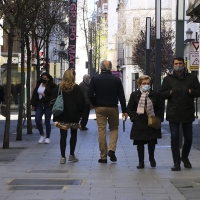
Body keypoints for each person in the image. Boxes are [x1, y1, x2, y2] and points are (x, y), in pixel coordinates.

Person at [159, 57, 200, 171]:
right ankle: (176, 162)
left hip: (187, 111)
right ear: (173, 65)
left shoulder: (191, 78)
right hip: (173, 112)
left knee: (189, 137)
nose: (178, 65)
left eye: (180, 63)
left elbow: (199, 91)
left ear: (184, 64)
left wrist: (190, 91)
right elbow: (161, 94)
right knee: (175, 137)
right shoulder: (168, 79)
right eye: (176, 63)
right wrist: (170, 92)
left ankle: (185, 157)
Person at [88, 60, 128, 163]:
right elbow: (122, 96)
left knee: (102, 130)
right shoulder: (116, 79)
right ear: (110, 67)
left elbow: (90, 94)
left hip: (100, 107)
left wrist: (94, 103)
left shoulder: (95, 78)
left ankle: (103, 156)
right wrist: (124, 110)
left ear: (101, 67)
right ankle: (112, 149)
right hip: (113, 107)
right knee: (114, 128)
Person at [127, 75, 163, 169]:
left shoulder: (154, 94)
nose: (146, 85)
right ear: (139, 84)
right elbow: (130, 108)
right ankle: (141, 162)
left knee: (151, 142)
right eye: (144, 83)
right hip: (139, 122)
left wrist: (158, 118)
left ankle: (151, 158)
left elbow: (160, 107)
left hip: (152, 121)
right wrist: (134, 117)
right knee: (140, 143)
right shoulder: (135, 95)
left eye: (148, 83)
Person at [51, 69, 85, 164]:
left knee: (63, 136)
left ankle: (62, 157)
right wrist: (80, 114)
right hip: (74, 115)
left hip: (62, 115)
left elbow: (53, 100)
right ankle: (71, 154)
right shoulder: (77, 88)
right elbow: (81, 102)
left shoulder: (59, 87)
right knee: (73, 135)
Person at [31, 72, 57, 144]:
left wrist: (46, 96)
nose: (43, 79)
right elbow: (35, 94)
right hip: (40, 103)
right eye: (42, 78)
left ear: (48, 78)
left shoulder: (52, 86)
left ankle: (48, 137)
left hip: (48, 105)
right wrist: (33, 105)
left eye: (45, 78)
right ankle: (42, 134)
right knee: (37, 119)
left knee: (47, 121)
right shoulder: (39, 84)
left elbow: (53, 96)